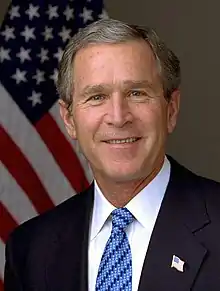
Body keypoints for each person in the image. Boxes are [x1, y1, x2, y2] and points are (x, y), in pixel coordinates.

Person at [4, 18, 220, 291]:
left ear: (171, 110)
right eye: (97, 97)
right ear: (69, 119)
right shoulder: (29, 250)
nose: (118, 117)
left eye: (137, 93)